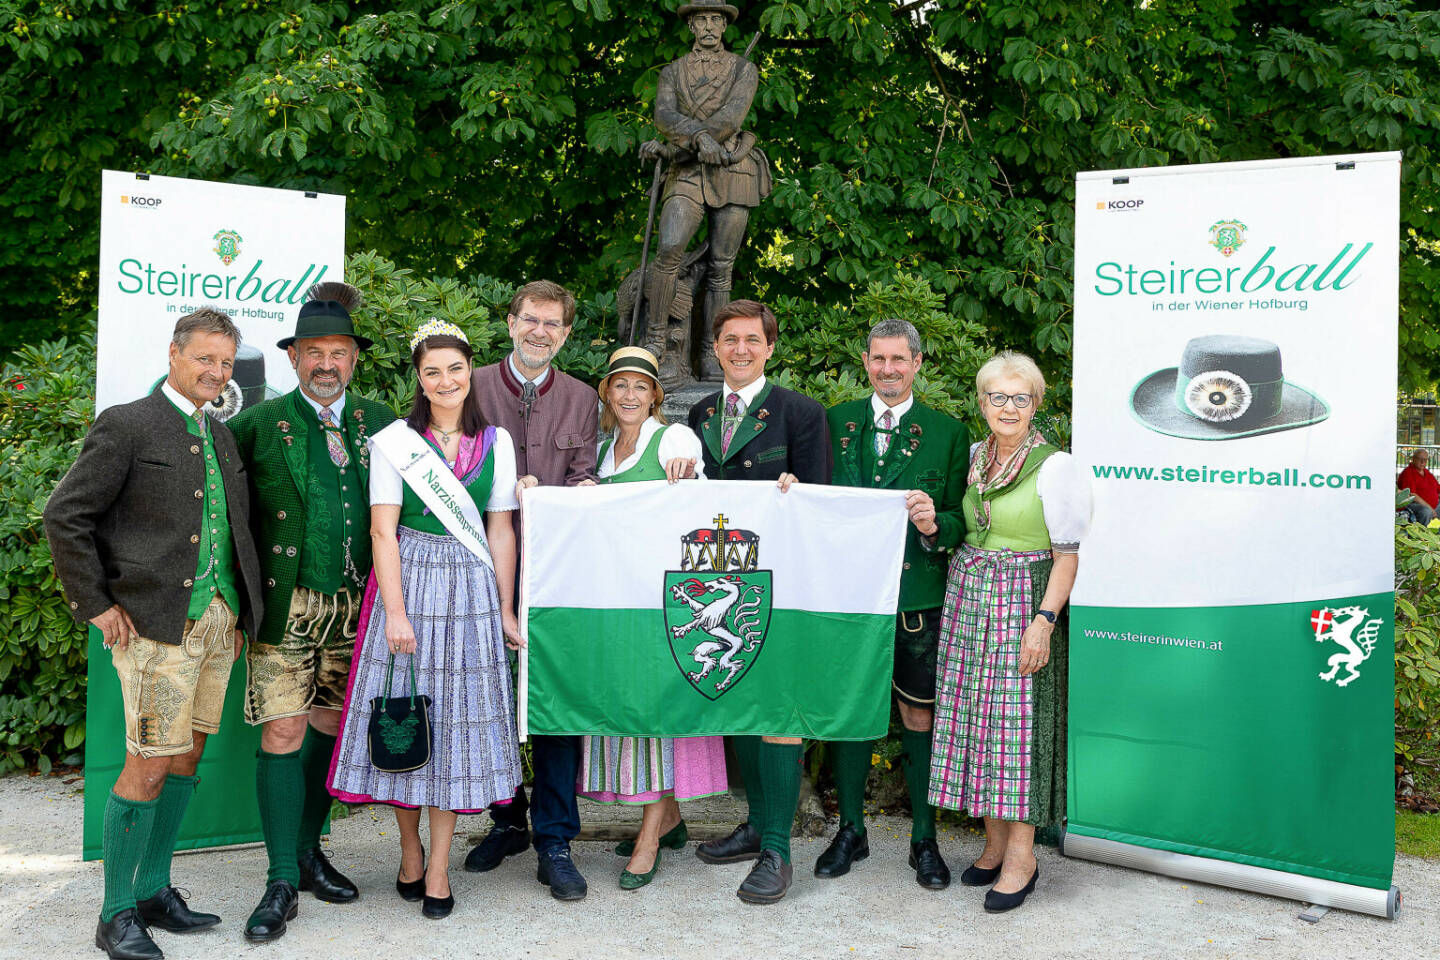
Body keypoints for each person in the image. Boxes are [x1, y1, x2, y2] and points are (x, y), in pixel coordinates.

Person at [44, 309, 264, 960]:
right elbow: (66, 515)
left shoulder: (219, 434)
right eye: (205, 359)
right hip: (156, 626)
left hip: (217, 623)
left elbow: (235, 530)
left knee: (187, 756)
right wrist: (95, 605)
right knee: (147, 763)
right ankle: (114, 915)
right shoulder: (127, 423)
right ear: (174, 354)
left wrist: (242, 612)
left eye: (225, 363)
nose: (216, 372)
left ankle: (153, 890)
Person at [328, 320, 524, 921]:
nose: (445, 381)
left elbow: (499, 530)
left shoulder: (497, 442)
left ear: (471, 373)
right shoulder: (394, 442)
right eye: (432, 371)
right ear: (419, 378)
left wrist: (506, 607)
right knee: (405, 720)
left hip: (470, 595)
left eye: (455, 369)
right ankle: (409, 848)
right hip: (410, 585)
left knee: (456, 731)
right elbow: (382, 529)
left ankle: (437, 865)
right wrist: (394, 613)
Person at [227, 282, 397, 942]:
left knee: (329, 725)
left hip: (359, 607)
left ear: (355, 359)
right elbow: (221, 513)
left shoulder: (382, 422)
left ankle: (305, 851)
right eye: (314, 352)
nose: (327, 363)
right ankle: (278, 880)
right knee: (282, 732)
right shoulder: (256, 425)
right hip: (287, 604)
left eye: (340, 352)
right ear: (294, 358)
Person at [560, 347, 727, 890]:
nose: (629, 395)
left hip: (658, 601)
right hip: (612, 601)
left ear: (655, 395)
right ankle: (669, 816)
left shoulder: (672, 441)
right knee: (627, 711)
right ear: (606, 392)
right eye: (620, 385)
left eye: (640, 386)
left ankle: (650, 836)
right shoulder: (603, 451)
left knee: (656, 716)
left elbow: (703, 512)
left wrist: (688, 475)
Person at [929, 351, 1090, 913]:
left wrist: (1043, 623)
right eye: (997, 396)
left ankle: (1023, 854)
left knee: (1018, 732)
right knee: (981, 723)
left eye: (1020, 398)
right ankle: (994, 843)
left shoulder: (1056, 466)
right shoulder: (976, 457)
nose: (1008, 407)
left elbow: (1068, 557)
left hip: (1024, 601)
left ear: (1036, 404)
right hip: (971, 598)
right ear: (981, 402)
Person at [686, 299, 831, 904]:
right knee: (739, 699)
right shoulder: (697, 413)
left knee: (778, 712)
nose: (740, 349)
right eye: (729, 339)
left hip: (782, 585)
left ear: (770, 347)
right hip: (723, 575)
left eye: (752, 339)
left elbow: (823, 501)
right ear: (714, 348)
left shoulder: (800, 412)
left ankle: (778, 847)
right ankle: (754, 826)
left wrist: (800, 493)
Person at [816, 319, 969, 890]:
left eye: (898, 360)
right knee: (852, 712)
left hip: (916, 599)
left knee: (918, 714)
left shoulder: (948, 432)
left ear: (918, 363)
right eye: (878, 359)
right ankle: (850, 831)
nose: (887, 370)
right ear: (865, 361)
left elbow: (963, 518)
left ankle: (923, 839)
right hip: (849, 597)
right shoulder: (835, 421)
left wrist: (936, 523)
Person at [463, 280, 598, 900]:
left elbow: (585, 474)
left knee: (554, 708)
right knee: (486, 697)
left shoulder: (582, 398)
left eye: (553, 324)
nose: (540, 331)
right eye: (530, 320)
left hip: (554, 574)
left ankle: (555, 839)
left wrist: (581, 490)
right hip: (476, 566)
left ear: (566, 334)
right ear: (510, 322)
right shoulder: (472, 385)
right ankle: (506, 820)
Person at [639, 0, 772, 380]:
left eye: (716, 19)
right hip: (687, 172)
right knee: (668, 250)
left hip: (734, 170)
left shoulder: (744, 69)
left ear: (725, 26)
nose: (710, 26)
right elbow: (664, 116)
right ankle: (656, 342)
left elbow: (733, 116)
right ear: (692, 27)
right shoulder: (672, 72)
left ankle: (713, 353)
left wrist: (698, 138)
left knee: (721, 268)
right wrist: (699, 137)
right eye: (702, 20)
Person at [1397, 449, 1438, 524]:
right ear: (1413, 459)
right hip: (1413, 505)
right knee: (1426, 511)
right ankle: (1420, 534)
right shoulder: (1408, 472)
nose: (1423, 462)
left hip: (1432, 505)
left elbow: (1437, 488)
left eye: (1425, 460)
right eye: (1420, 459)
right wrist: (1431, 508)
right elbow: (1412, 495)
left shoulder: (1426, 472)